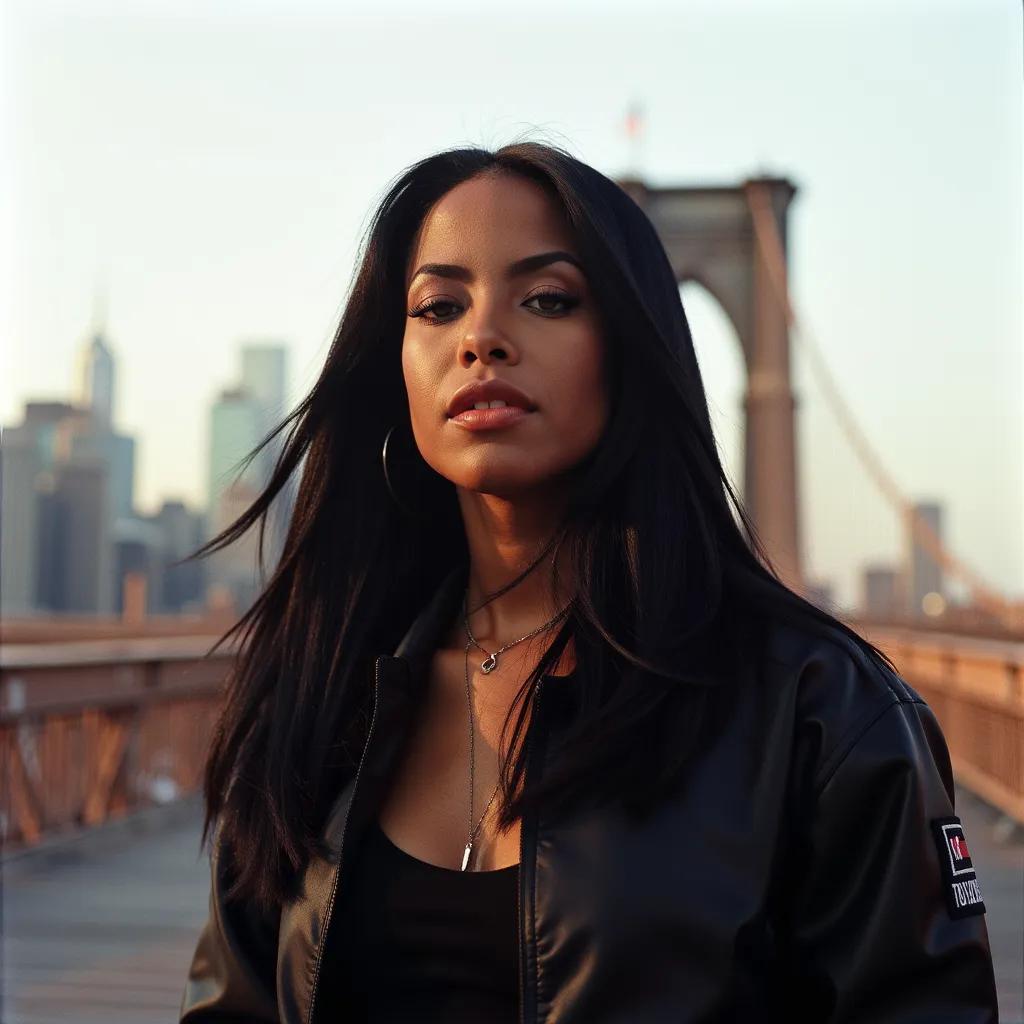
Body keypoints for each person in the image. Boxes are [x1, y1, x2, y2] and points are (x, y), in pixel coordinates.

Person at [178, 140, 999, 1023]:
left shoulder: (822, 715)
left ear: (632, 350)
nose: (481, 338)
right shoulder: (320, 687)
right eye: (438, 305)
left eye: (547, 299)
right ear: (396, 365)